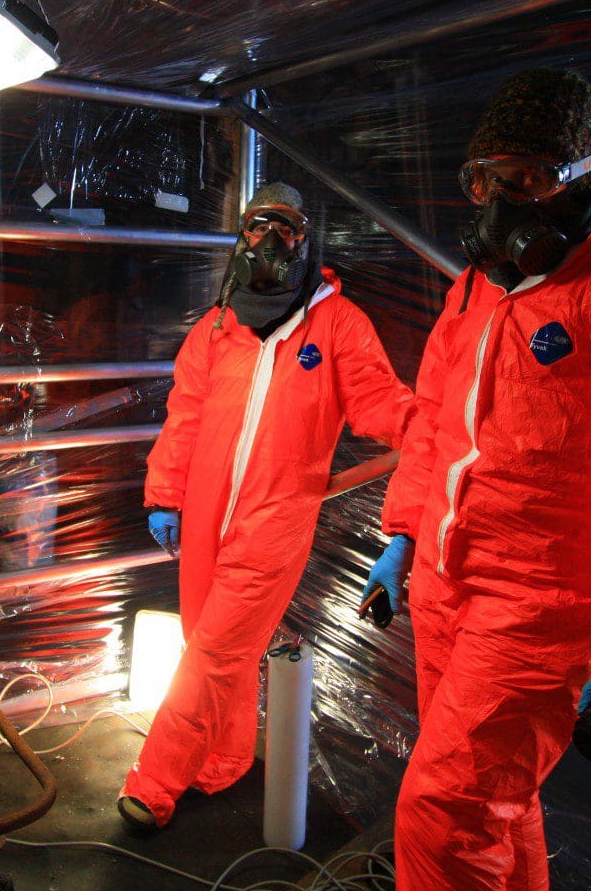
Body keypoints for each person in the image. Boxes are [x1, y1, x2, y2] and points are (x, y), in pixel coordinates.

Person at [363, 68, 591, 889]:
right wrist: (404, 533)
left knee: (443, 807)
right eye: (483, 180)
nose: (497, 202)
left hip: (545, 605)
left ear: (580, 180)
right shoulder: (474, 293)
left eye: (524, 181)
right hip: (451, 586)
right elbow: (433, 428)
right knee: (496, 799)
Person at [119, 182, 416, 830]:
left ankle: (156, 781)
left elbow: (378, 405)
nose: (268, 241)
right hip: (202, 517)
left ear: (308, 240)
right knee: (207, 644)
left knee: (217, 654)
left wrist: (436, 425)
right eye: (257, 225)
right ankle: (224, 761)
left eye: (285, 227)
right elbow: (184, 418)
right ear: (240, 235)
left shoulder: (338, 326)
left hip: (275, 523)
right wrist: (166, 494)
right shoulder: (219, 326)